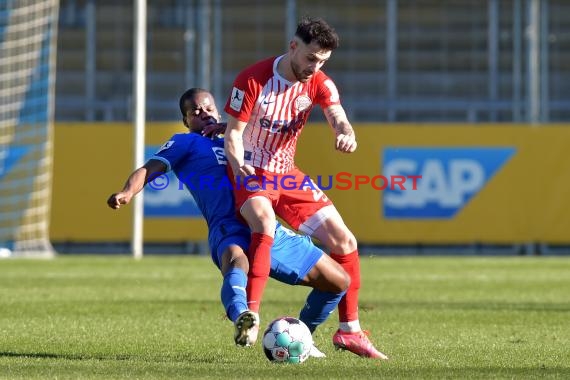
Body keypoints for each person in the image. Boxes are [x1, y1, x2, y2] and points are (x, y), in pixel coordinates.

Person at [107, 88, 350, 355]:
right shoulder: (185, 143)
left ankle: (300, 337)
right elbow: (148, 169)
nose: (204, 114)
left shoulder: (241, 139)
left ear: (218, 112)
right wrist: (127, 192)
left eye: (209, 108)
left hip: (268, 225)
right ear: (186, 121)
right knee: (236, 260)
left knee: (338, 281)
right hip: (229, 226)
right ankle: (243, 317)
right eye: (195, 112)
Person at [224, 17, 387, 359]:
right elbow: (234, 134)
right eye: (312, 58)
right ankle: (251, 316)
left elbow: (337, 115)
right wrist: (238, 165)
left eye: (323, 61)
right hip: (252, 170)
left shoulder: (319, 83)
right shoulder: (252, 79)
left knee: (346, 241)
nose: (315, 67)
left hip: (288, 175)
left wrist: (346, 132)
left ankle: (349, 331)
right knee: (265, 224)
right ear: (293, 46)